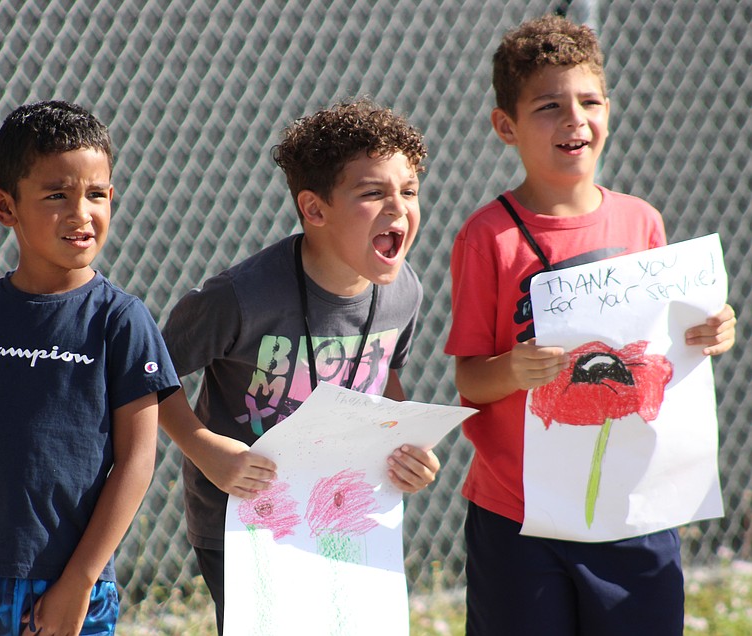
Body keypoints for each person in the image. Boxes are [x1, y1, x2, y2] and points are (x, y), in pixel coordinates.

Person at [445, 15, 737, 636]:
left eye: (589, 101)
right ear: (506, 126)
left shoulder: (641, 222)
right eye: (548, 105)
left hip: (634, 510)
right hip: (520, 517)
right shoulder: (485, 237)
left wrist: (713, 333)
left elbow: (672, 351)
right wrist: (514, 370)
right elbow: (470, 380)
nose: (574, 119)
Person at [159, 98, 441, 634]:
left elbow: (388, 379)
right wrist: (205, 449)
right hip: (243, 523)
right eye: (372, 193)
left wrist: (406, 447)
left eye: (408, 191)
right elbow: (147, 378)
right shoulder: (241, 296)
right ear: (313, 209)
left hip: (342, 513)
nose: (399, 210)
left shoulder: (403, 290)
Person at [0, 100, 180, 636]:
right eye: (57, 195)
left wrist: (78, 583)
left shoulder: (122, 320)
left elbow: (137, 463)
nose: (82, 213)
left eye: (97, 194)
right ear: (5, 207)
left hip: (72, 588)